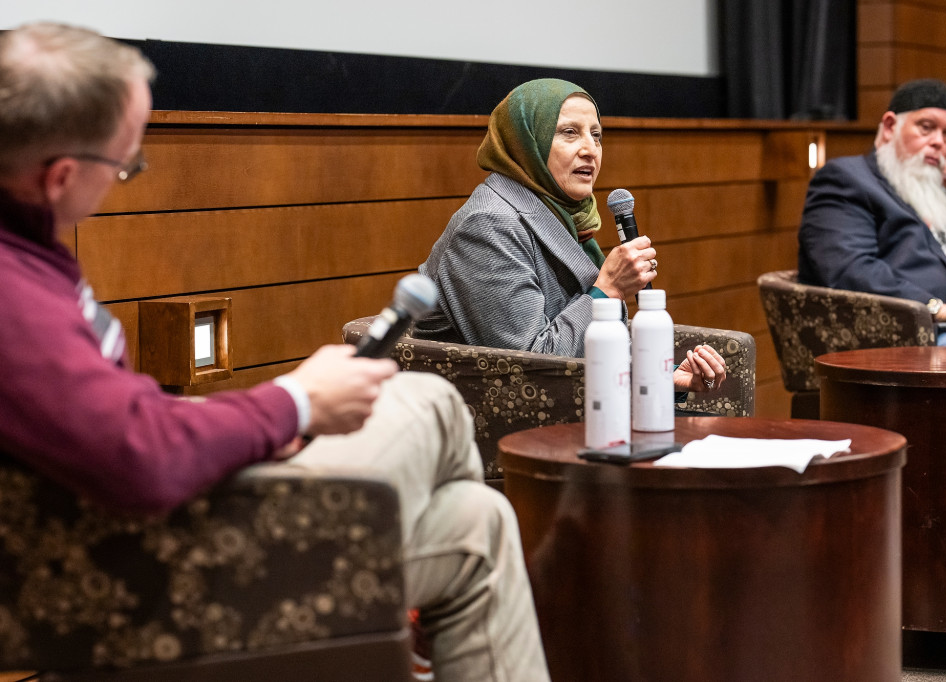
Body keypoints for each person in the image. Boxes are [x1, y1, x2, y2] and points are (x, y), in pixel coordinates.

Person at [0, 22, 549, 681]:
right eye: (126, 164)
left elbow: (107, 418)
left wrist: (252, 434)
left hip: (139, 530)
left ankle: (382, 642)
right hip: (136, 577)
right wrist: (292, 405)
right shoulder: (12, 292)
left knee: (477, 522)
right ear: (59, 177)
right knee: (425, 396)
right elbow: (137, 453)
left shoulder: (28, 258)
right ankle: (365, 639)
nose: (124, 179)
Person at [414, 78, 727, 392]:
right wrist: (609, 288)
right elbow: (530, 368)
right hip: (502, 424)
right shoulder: (487, 225)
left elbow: (580, 346)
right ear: (526, 141)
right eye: (569, 132)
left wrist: (663, 376)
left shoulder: (561, 214)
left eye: (596, 135)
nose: (590, 150)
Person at [798, 78, 946, 347]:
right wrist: (937, 308)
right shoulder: (846, 179)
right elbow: (850, 270)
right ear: (891, 126)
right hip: (922, 338)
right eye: (926, 128)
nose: (939, 142)